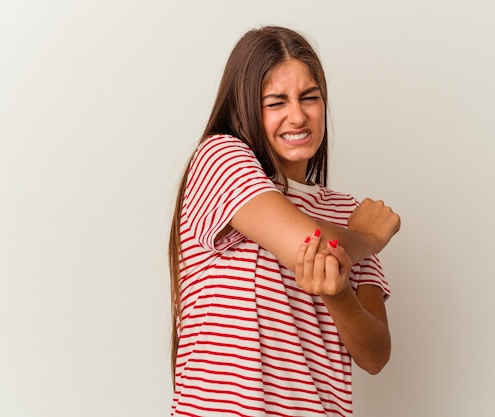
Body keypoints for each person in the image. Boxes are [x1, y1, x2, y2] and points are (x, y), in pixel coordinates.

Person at [169, 26, 401, 416]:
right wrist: (369, 238)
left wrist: (338, 294)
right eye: (276, 102)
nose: (298, 115)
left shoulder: (345, 212)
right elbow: (309, 244)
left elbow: (375, 355)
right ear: (245, 108)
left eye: (309, 98)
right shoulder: (219, 158)